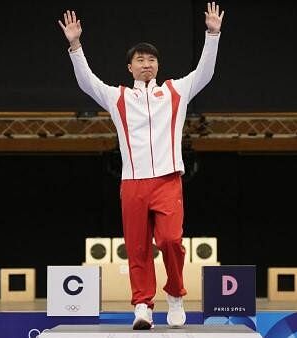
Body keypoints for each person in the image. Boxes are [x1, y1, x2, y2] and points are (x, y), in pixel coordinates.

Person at [58, 2, 224, 330]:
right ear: (130, 68)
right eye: (140, 60)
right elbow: (87, 82)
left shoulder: (176, 91)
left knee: (170, 241)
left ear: (158, 66)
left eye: (151, 60)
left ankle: (175, 296)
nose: (146, 64)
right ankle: (142, 306)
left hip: (167, 180)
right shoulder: (117, 97)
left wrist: (213, 34)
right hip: (132, 182)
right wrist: (75, 46)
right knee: (136, 248)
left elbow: (205, 72)